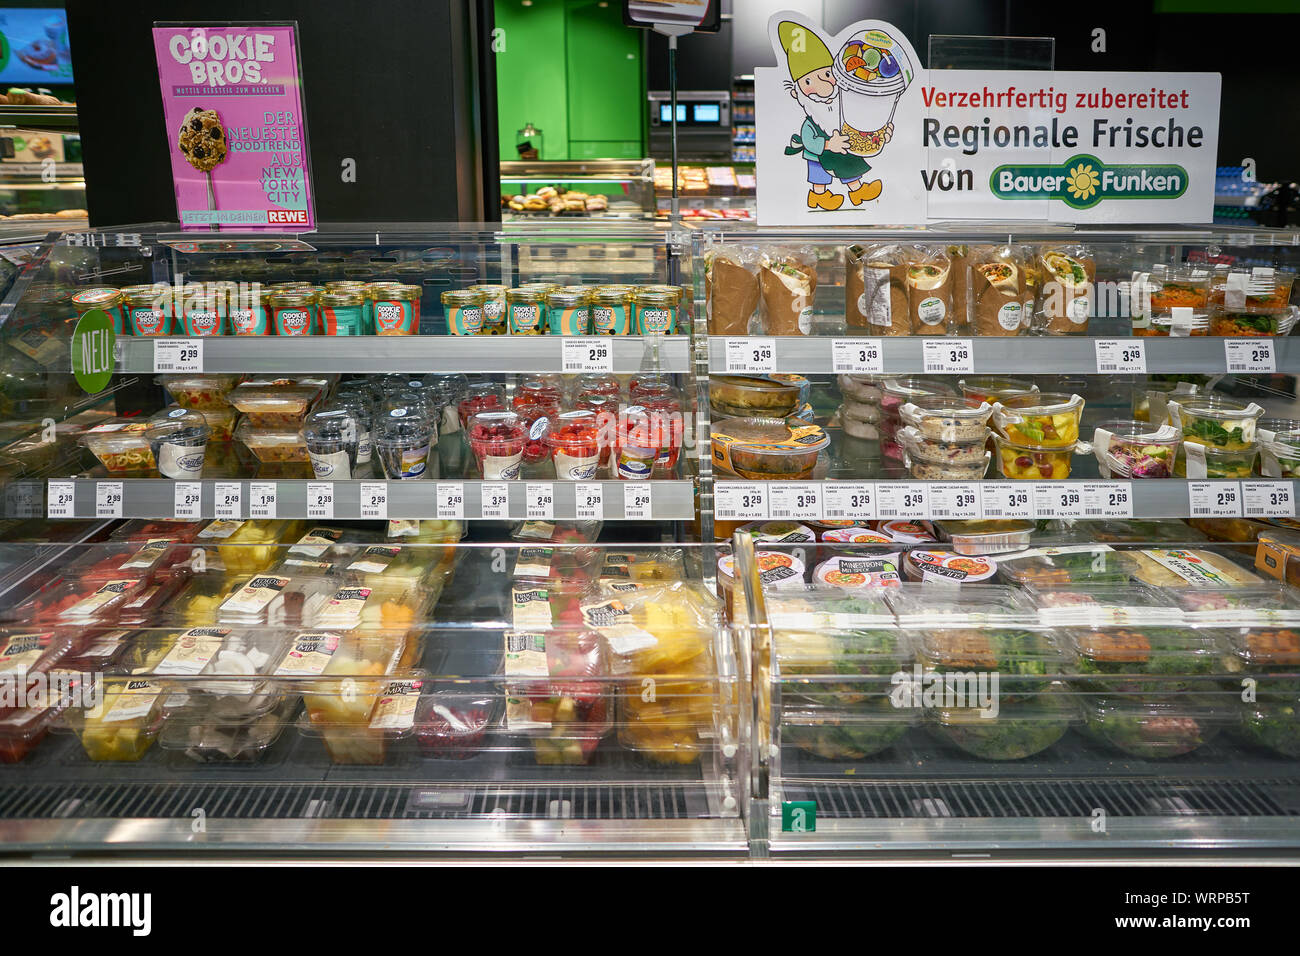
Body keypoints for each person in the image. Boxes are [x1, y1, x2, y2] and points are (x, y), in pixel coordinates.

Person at [777, 20, 888, 211]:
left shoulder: (843, 111)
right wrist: (828, 145)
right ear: (797, 93)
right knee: (819, 175)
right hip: (817, 155)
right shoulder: (810, 122)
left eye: (827, 75)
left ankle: (858, 191)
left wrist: (880, 133)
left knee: (849, 165)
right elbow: (809, 141)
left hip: (842, 150)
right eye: (809, 81)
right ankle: (818, 196)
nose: (823, 88)